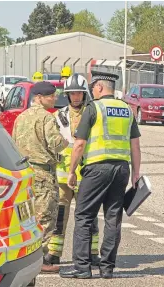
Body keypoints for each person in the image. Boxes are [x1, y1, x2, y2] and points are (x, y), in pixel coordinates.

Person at [59, 71, 141, 279]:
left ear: (99, 88)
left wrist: (71, 172)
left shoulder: (93, 108)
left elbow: (79, 144)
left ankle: (82, 268)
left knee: (84, 216)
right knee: (113, 218)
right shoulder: (127, 109)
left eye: (93, 87)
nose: (91, 91)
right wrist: (136, 175)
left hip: (97, 169)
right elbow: (135, 145)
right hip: (122, 169)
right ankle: (107, 268)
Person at [12, 81, 69, 273]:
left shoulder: (20, 117)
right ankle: (40, 260)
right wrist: (67, 140)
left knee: (25, 217)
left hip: (25, 172)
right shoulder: (47, 118)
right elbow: (56, 144)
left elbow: (13, 143)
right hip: (43, 173)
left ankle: (24, 256)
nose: (54, 98)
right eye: (50, 96)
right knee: (45, 217)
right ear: (38, 98)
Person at [45, 74, 101, 267]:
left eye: (78, 93)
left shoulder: (93, 113)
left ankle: (93, 252)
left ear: (84, 94)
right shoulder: (58, 116)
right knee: (60, 215)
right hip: (63, 176)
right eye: (72, 93)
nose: (75, 97)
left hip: (86, 175)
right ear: (67, 95)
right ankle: (54, 252)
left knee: (89, 215)